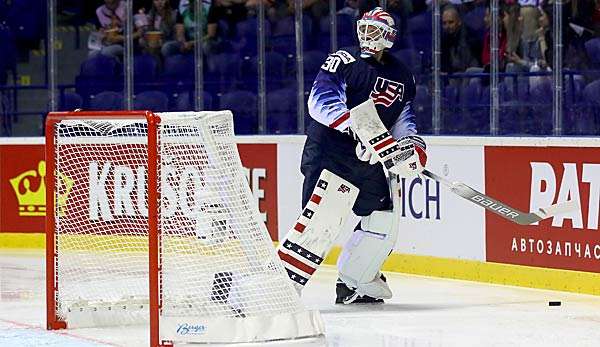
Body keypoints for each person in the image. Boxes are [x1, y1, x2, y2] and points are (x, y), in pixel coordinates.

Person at [279, 7, 427, 304]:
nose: (366, 36)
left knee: (383, 217)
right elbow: (320, 102)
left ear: (390, 37)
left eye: (374, 31)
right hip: (330, 154)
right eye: (364, 28)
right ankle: (280, 292)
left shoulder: (403, 76)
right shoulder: (344, 60)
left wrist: (411, 144)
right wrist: (355, 130)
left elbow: (402, 119)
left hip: (366, 159)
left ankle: (354, 281)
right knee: (320, 222)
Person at [441, 5, 482, 74]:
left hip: (469, 75)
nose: (447, 26)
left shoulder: (469, 37)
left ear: (459, 22)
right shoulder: (444, 39)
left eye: (451, 22)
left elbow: (468, 64)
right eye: (444, 23)